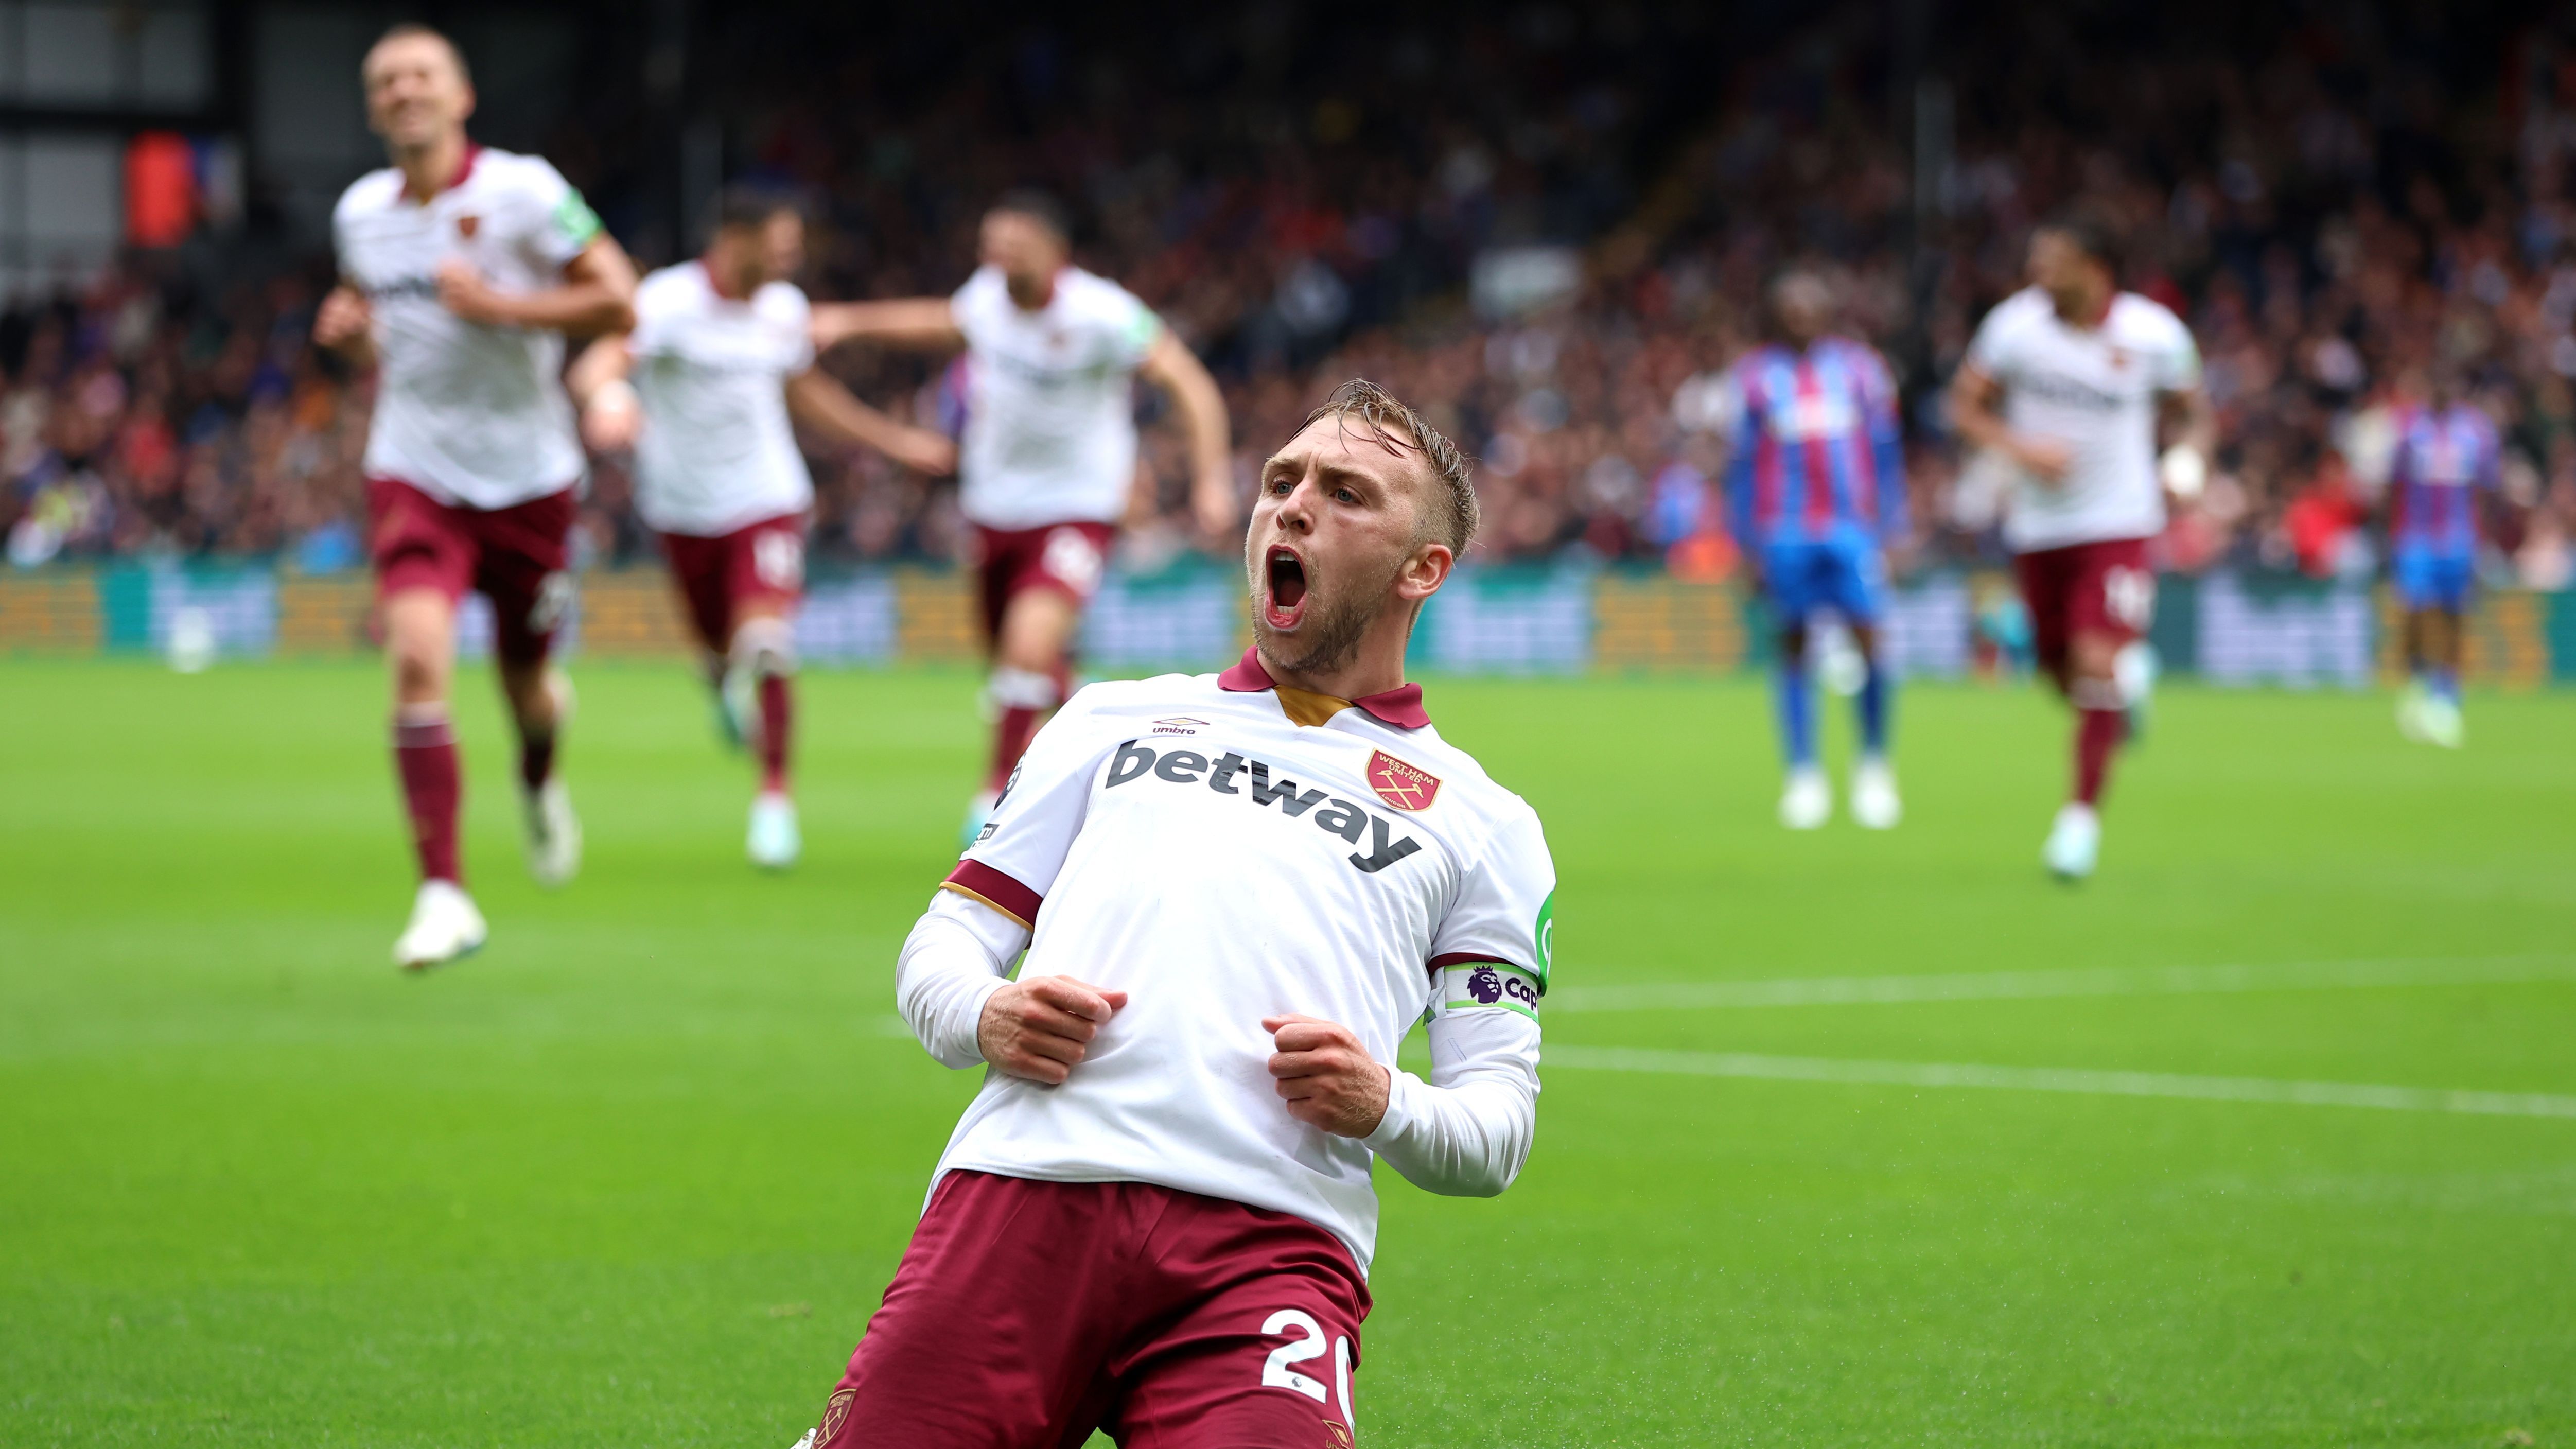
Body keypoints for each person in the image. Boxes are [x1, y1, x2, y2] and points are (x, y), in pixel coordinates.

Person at [791, 379, 1553, 1448]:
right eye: (1281, 481)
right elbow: (947, 943)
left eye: (1346, 494)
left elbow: (1496, 1129)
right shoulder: (1108, 717)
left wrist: (1385, 1103)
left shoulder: (1487, 822)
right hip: (1023, 1195)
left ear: (1421, 568)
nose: (1292, 506)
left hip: (1269, 1255)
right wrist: (985, 1016)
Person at [313, 23, 638, 968]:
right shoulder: (360, 213)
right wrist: (350, 334)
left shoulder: (526, 191)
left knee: (530, 693)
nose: (402, 90)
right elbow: (385, 335)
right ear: (374, 107)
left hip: (532, 482)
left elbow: (620, 297)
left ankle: (540, 782)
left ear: (461, 99)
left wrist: (504, 309)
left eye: (420, 75)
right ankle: (444, 892)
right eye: (385, 80)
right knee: (417, 663)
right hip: (414, 470)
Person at [810, 190, 1235, 841]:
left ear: (1053, 251)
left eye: (1012, 244)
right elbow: (938, 322)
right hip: (993, 507)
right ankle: (1088, 714)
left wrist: (1211, 479)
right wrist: (846, 322)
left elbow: (1189, 383)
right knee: (1012, 663)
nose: (997, 256)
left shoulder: (1103, 312)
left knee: (1025, 649)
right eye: (990, 244)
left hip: (1077, 506)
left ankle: (993, 800)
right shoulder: (985, 298)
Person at [569, 190, 957, 867]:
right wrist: (609, 397)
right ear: (733, 238)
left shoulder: (783, 310)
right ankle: (721, 682)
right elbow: (599, 362)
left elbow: (807, 393)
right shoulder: (665, 302)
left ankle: (773, 802)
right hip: (682, 506)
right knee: (720, 650)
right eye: (779, 243)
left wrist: (894, 441)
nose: (791, 256)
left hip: (766, 496)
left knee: (769, 641)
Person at [1950, 213, 2213, 881]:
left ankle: (2078, 823)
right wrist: (2021, 449)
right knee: (2056, 672)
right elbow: (1965, 406)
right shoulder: (2012, 327)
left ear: (2095, 270)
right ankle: (2128, 691)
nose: (2039, 270)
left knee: (2095, 663)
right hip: (2038, 527)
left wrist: (2189, 461)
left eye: (2054, 259)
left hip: (2119, 521)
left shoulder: (2153, 335)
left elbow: (2195, 411)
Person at [1694, 268, 1908, 830]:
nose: (1799, 317)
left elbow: (1885, 455)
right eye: (1789, 308)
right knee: (1792, 647)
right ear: (1775, 315)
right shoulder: (1754, 378)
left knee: (1871, 641)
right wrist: (1744, 545)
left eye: (1809, 306)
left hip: (1851, 528)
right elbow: (1739, 467)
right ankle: (1804, 775)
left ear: (1827, 312)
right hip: (1783, 532)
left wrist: (1896, 527)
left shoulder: (1861, 371)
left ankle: (1873, 766)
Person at [2385, 366, 2497, 748]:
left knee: (2454, 616)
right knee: (2415, 612)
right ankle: (2417, 683)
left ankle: (2446, 695)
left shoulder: (2477, 433)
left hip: (2458, 539)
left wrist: (2484, 539)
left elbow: (2486, 488)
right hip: (2415, 538)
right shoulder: (2410, 432)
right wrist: (2389, 535)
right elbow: (2393, 484)